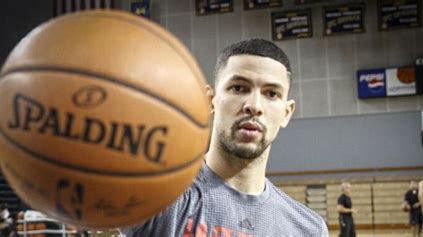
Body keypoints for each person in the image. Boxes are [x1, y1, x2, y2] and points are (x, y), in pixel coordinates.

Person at [121, 39, 328, 236]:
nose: (254, 106)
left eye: (271, 94)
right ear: (210, 100)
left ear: (286, 112)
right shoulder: (159, 198)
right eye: (239, 88)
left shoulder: (308, 229)